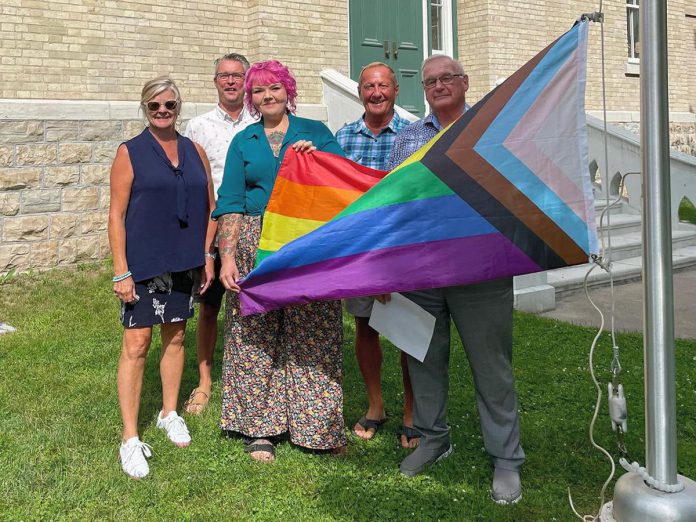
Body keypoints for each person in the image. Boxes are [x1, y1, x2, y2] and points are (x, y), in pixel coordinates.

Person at [387, 55, 525, 504]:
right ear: (423, 90)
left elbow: (510, 193)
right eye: (430, 81)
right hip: (420, 271)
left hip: (481, 271)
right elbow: (391, 205)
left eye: (447, 78)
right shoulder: (407, 139)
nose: (439, 85)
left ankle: (506, 457)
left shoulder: (490, 134)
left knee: (491, 365)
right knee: (424, 360)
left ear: (465, 82)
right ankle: (433, 438)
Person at [213, 60, 347, 462]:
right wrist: (227, 257)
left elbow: (342, 184)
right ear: (251, 99)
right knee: (256, 332)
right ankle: (260, 427)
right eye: (258, 91)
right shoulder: (245, 140)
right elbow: (232, 202)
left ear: (288, 91)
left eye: (274, 88)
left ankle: (316, 426)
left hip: (306, 243)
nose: (267, 96)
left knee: (315, 331)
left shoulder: (316, 133)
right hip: (255, 243)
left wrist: (317, 159)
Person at [109, 76, 216, 479]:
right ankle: (130, 438)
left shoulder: (194, 150)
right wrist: (121, 271)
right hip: (143, 264)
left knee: (175, 336)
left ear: (178, 106)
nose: (162, 112)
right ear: (145, 109)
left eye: (169, 105)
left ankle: (169, 412)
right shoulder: (130, 152)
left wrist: (206, 254)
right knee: (137, 344)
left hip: (185, 261)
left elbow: (211, 206)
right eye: (154, 106)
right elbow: (116, 215)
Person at [335, 62, 418, 448]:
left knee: (406, 333)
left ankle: (411, 413)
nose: (376, 92)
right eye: (369, 86)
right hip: (360, 251)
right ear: (360, 92)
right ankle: (375, 405)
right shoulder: (343, 137)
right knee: (365, 328)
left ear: (396, 90)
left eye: (383, 85)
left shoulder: (415, 136)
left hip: (402, 250)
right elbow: (332, 190)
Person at [182, 53, 256, 415]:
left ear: (247, 81)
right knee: (209, 307)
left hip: (255, 224)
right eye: (224, 76)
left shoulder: (263, 120)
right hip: (212, 226)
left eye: (237, 76)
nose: (230, 82)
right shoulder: (198, 127)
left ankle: (252, 375)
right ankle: (205, 380)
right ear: (215, 82)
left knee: (252, 304)